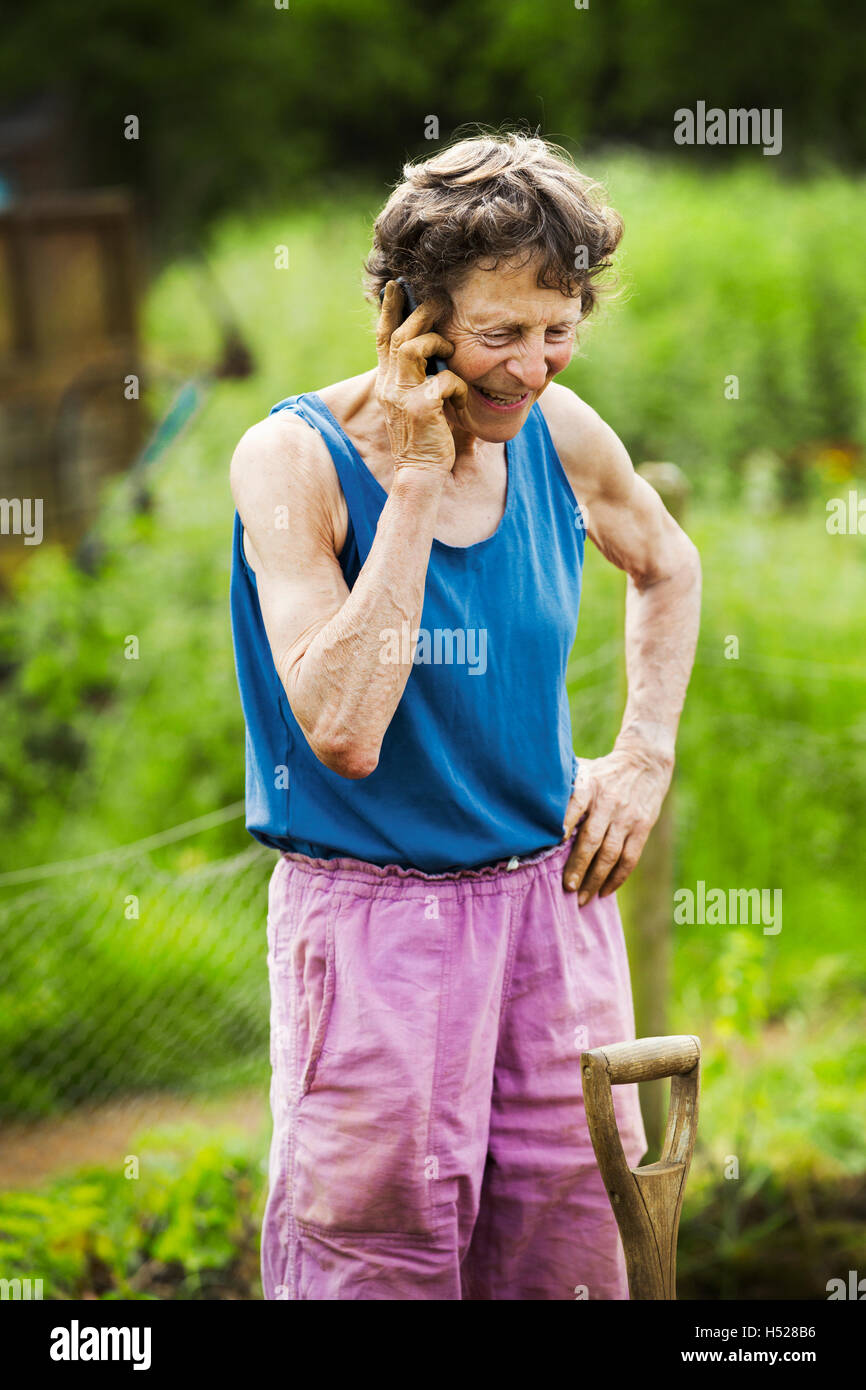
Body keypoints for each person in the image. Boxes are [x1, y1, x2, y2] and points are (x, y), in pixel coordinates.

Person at [229, 130, 701, 1300]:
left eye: (558, 328)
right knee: (377, 1256)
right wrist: (414, 483)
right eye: (499, 334)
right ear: (407, 317)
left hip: (553, 911)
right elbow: (340, 723)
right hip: (376, 927)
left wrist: (640, 753)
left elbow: (668, 565)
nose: (534, 368)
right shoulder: (290, 458)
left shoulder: (562, 432)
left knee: (570, 1247)